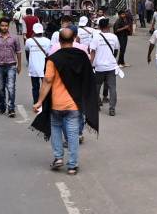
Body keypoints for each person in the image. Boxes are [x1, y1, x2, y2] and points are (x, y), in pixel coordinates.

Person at [32, 28, 98, 175]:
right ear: (74, 39)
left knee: (55, 129)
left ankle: (58, 158)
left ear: (59, 41)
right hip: (74, 104)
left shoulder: (53, 59)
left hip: (56, 104)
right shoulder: (82, 56)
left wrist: (39, 101)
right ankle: (72, 166)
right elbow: (88, 78)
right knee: (73, 135)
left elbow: (47, 81)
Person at [0, 17, 22, 118]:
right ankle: (2, 106)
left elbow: (18, 52)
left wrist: (19, 65)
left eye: (6, 26)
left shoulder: (14, 38)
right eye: (2, 26)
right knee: (1, 88)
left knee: (11, 87)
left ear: (8, 26)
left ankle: (11, 109)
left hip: (11, 65)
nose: (4, 27)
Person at [90, 19, 120, 116]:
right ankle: (112, 108)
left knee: (96, 87)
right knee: (112, 88)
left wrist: (90, 64)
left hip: (99, 67)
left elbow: (92, 52)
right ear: (108, 26)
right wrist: (112, 58)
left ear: (99, 27)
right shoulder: (114, 37)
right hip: (111, 67)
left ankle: (97, 104)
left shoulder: (96, 38)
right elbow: (116, 50)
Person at [24, 23, 51, 105]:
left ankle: (36, 102)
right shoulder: (47, 41)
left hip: (33, 67)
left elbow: (27, 50)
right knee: (46, 86)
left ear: (34, 31)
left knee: (35, 87)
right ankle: (46, 103)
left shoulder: (29, 41)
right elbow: (49, 53)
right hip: (45, 67)